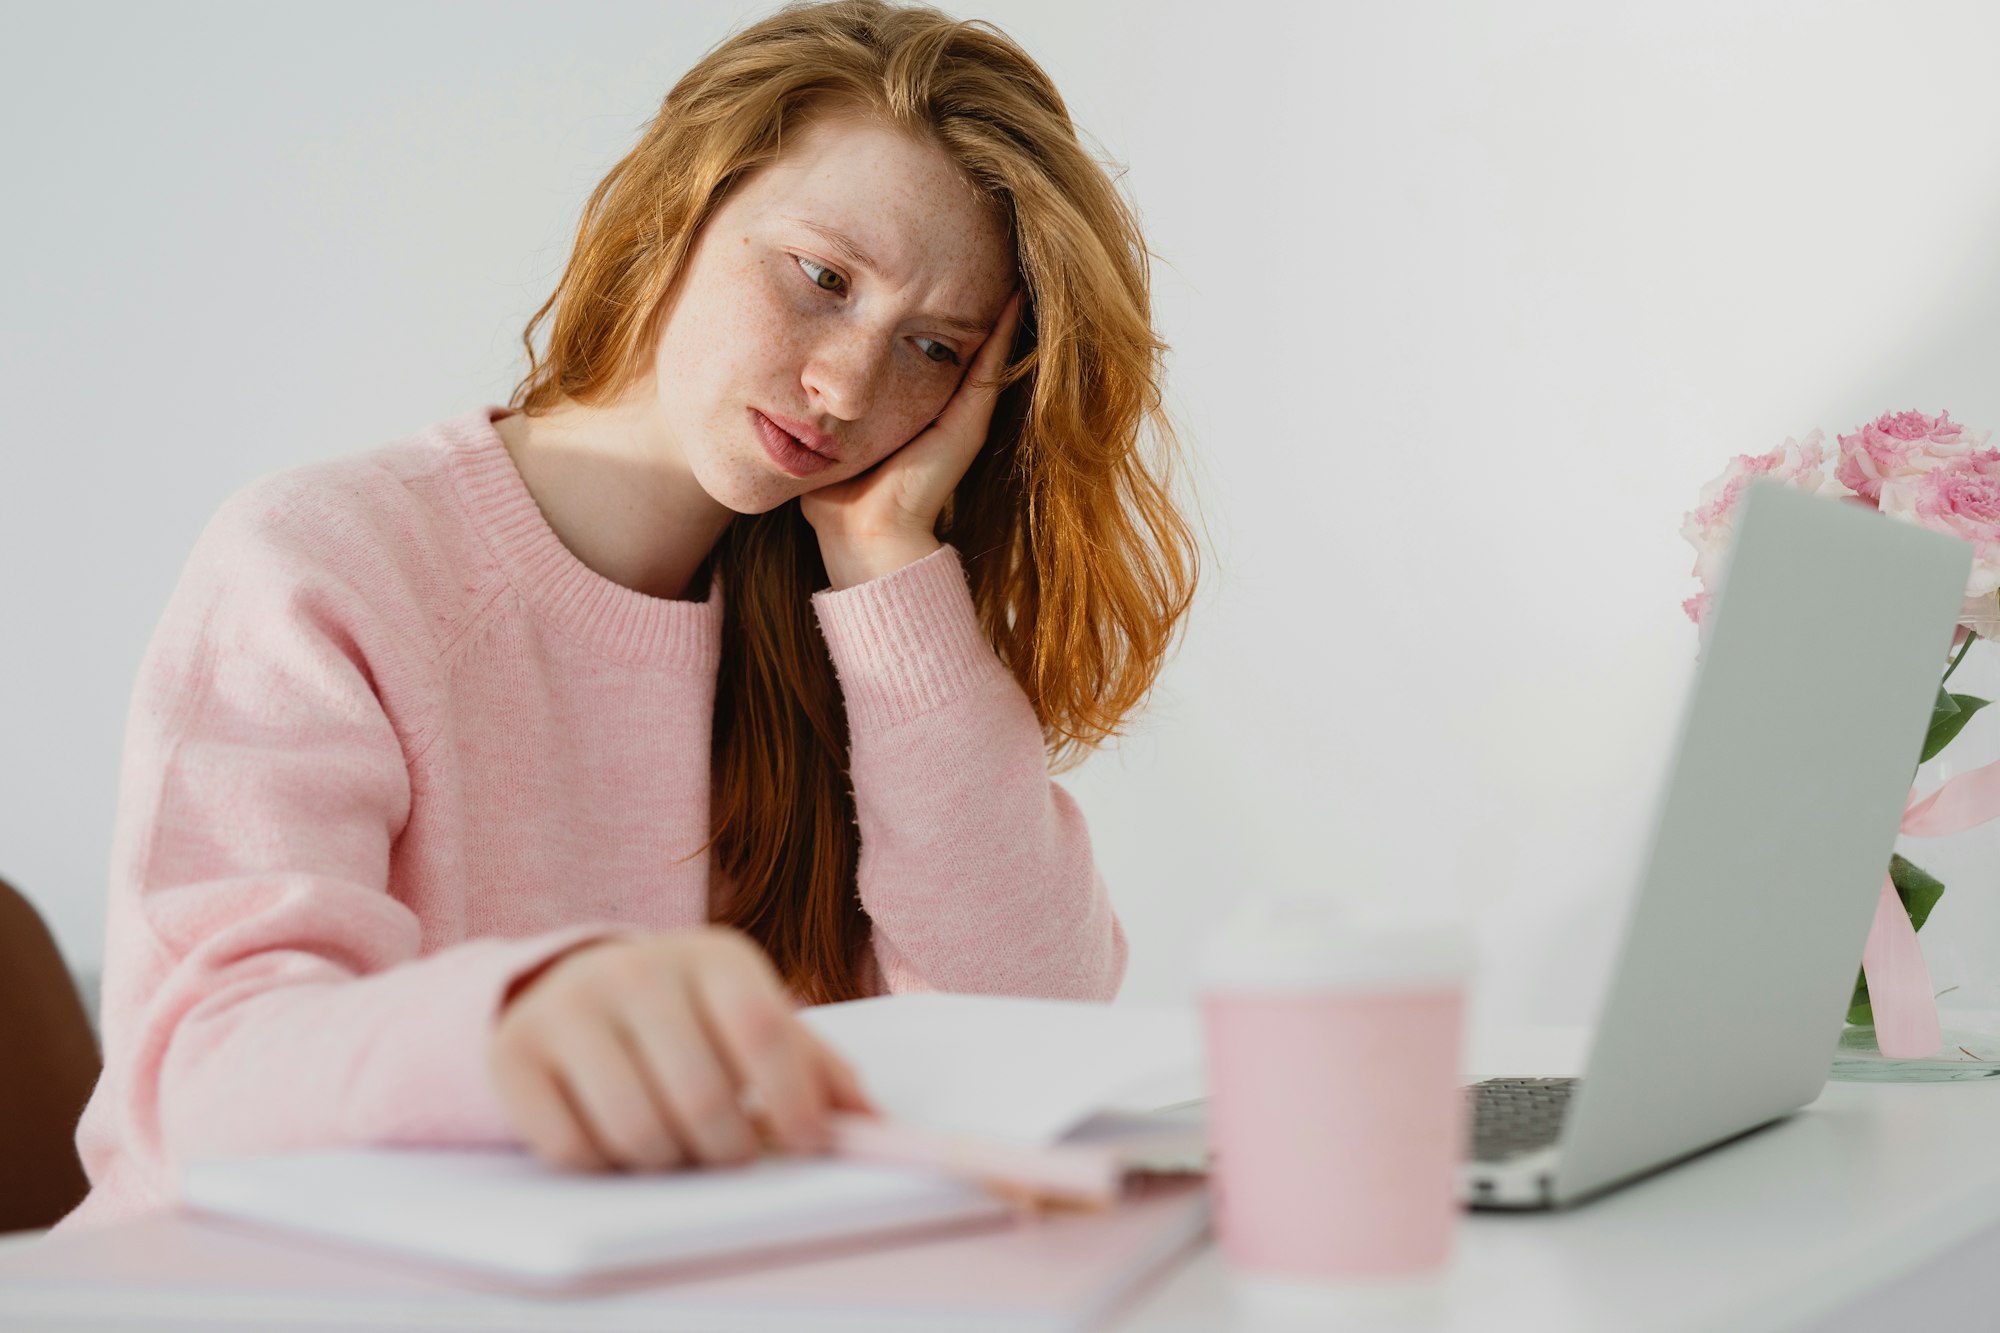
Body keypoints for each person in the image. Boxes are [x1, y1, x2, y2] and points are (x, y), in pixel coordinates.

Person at [59, 0, 1197, 1228]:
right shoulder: (326, 562)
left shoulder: (840, 630)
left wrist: (884, 564)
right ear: (679, 203)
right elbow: (199, 1086)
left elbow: (1025, 1043)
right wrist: (523, 1026)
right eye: (821, 278)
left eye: (930, 348)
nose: (848, 383)